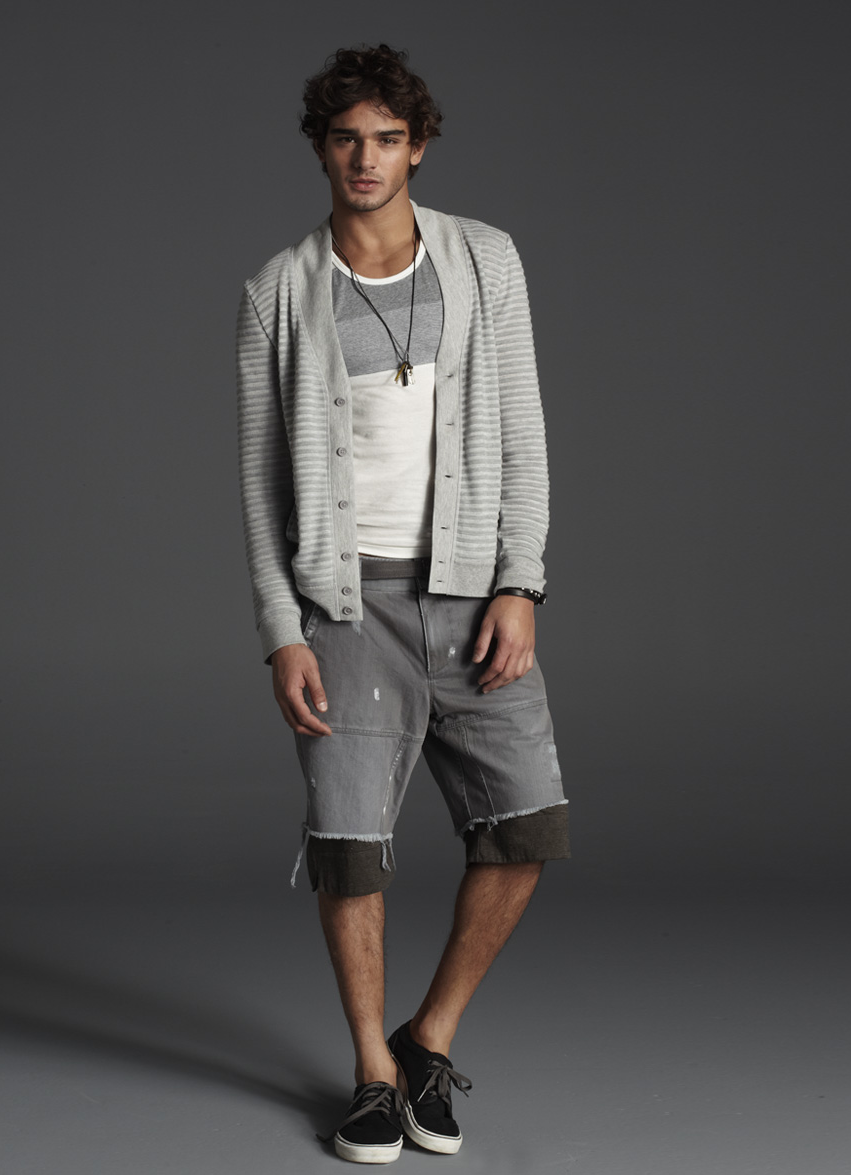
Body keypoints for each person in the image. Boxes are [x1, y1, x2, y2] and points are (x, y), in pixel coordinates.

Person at [236, 44, 569, 1165]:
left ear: (417, 146)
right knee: (350, 849)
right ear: (321, 148)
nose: (366, 159)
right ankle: (373, 1080)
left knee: (524, 826)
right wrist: (281, 631)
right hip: (345, 604)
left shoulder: (485, 259)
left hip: (471, 595)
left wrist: (518, 581)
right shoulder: (279, 292)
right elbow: (261, 485)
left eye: (387, 138)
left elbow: (522, 436)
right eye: (347, 139)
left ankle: (426, 1038)